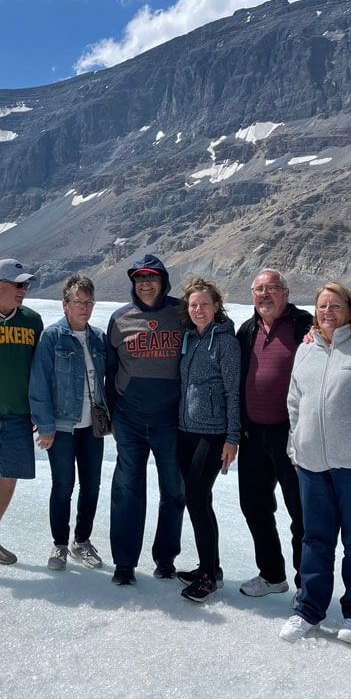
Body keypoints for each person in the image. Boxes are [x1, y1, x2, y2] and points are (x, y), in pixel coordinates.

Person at [280, 283, 351, 643]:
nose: (328, 312)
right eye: (322, 306)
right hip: (311, 464)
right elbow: (295, 401)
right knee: (315, 539)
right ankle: (308, 608)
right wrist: (296, 446)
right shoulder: (305, 350)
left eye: (336, 306)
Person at [106, 253, 185, 585]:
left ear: (163, 281)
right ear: (133, 283)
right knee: (127, 490)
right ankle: (124, 564)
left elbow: (214, 323)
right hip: (130, 420)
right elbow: (110, 370)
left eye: (151, 277)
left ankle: (165, 558)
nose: (145, 283)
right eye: (139, 278)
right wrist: (112, 412)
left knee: (174, 490)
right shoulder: (120, 319)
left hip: (171, 419)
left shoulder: (181, 312)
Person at [237, 268, 312, 597]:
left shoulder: (304, 325)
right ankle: (271, 574)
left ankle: (306, 585)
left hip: (292, 435)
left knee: (301, 512)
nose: (264, 295)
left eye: (272, 288)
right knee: (254, 505)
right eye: (258, 290)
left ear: (286, 291)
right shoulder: (246, 329)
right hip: (253, 434)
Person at [29, 275, 107, 571]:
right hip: (61, 427)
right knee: (63, 486)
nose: (85, 308)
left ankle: (81, 542)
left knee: (92, 485)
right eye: (79, 302)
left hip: (93, 427)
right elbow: (39, 384)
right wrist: (45, 425)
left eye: (89, 302)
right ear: (65, 305)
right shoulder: (52, 337)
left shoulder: (98, 338)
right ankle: (60, 544)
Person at [176, 278, 240, 603]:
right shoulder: (190, 339)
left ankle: (208, 577)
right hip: (185, 431)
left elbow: (233, 392)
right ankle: (210, 567)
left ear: (216, 306)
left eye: (204, 304)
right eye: (193, 305)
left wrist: (232, 437)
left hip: (213, 434)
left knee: (197, 498)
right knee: (200, 501)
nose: (198, 309)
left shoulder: (225, 343)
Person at [0, 258, 42, 565]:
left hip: (18, 414)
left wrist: (38, 411)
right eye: (19, 285)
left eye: (26, 285)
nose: (24, 290)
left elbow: (39, 369)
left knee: (10, 475)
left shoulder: (32, 321)